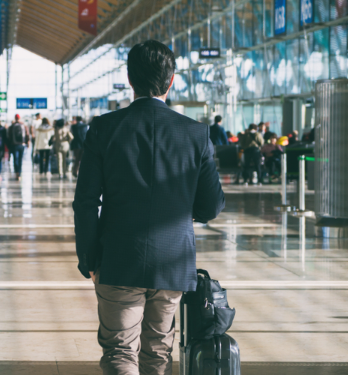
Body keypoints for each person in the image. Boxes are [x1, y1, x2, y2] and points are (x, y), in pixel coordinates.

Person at [73, 40, 225, 375]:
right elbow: (212, 205)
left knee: (119, 352)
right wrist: (185, 212)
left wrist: (89, 259)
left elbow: (85, 202)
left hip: (118, 259)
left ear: (130, 79)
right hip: (173, 263)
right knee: (157, 354)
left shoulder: (104, 128)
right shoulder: (196, 133)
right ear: (171, 81)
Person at [8, 114, 30, 181]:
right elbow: (27, 134)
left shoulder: (12, 126)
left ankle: (17, 173)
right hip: (22, 145)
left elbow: (9, 136)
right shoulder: (23, 125)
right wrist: (28, 142)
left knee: (15, 159)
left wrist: (9, 145)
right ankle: (19, 173)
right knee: (20, 159)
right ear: (19, 118)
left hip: (14, 145)